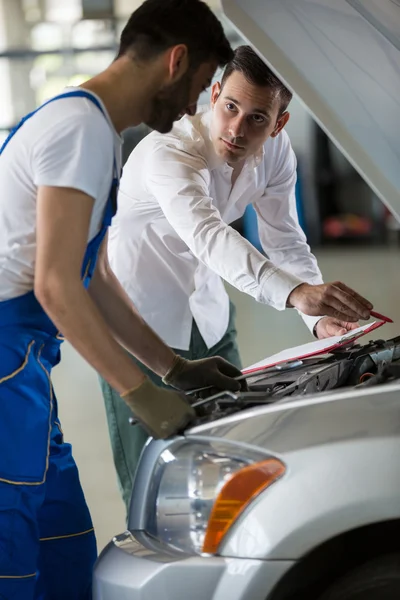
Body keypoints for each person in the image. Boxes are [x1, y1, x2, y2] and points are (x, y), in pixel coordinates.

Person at [0, 1, 238, 597]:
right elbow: (55, 286)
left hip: (26, 367)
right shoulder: (79, 127)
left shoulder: (95, 131)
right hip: (4, 366)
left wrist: (171, 367)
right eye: (202, 85)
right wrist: (138, 395)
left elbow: (92, 278)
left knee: (64, 539)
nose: (194, 107)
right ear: (175, 61)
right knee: (12, 554)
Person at [102, 45, 374, 508]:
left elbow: (285, 240)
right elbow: (207, 236)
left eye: (257, 118)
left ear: (279, 123)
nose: (237, 128)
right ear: (213, 94)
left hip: (210, 318)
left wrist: (316, 320)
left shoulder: (275, 153)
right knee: (155, 487)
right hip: (138, 328)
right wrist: (296, 294)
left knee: (229, 463)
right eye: (231, 107)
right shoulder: (169, 151)